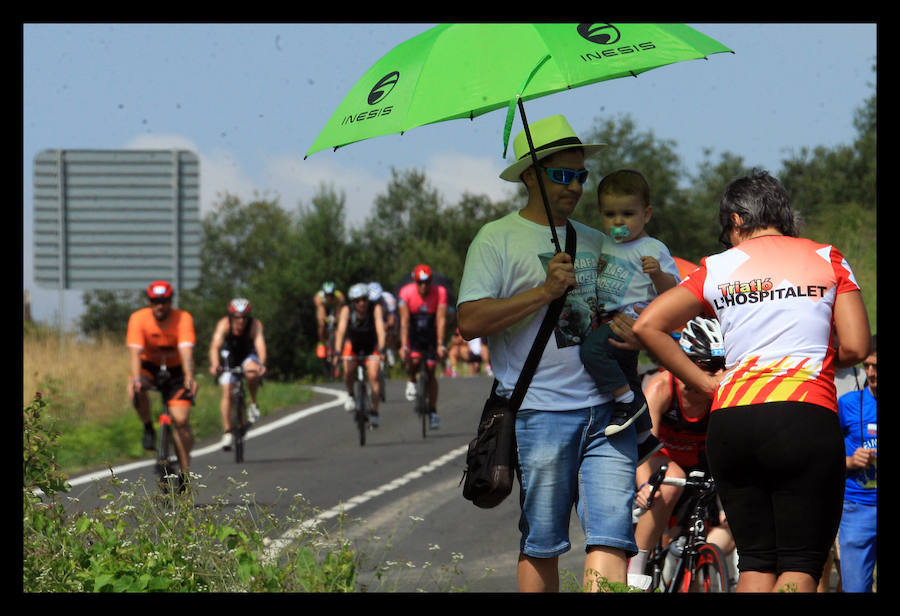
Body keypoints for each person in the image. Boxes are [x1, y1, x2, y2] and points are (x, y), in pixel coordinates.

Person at [633, 170, 872, 593]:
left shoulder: (718, 266)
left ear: (737, 220)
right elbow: (856, 347)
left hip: (732, 420)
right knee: (800, 563)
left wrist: (707, 385)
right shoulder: (827, 257)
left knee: (757, 563)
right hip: (805, 415)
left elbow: (649, 326)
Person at [458, 114, 644, 592]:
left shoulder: (599, 240)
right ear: (529, 176)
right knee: (543, 542)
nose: (576, 186)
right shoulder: (496, 238)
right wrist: (543, 292)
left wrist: (630, 325)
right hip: (539, 414)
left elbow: (623, 310)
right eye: (562, 175)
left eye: (581, 175)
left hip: (609, 413)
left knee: (612, 537)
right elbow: (470, 322)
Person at [580, 169, 678, 462]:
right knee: (626, 373)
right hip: (609, 317)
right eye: (610, 214)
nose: (618, 221)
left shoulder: (651, 248)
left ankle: (625, 401)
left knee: (592, 351)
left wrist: (658, 274)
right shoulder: (605, 245)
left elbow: (672, 290)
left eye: (628, 213)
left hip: (634, 319)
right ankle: (644, 438)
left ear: (646, 214)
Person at [629, 317, 735, 589]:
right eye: (709, 367)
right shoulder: (661, 388)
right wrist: (644, 485)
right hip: (657, 459)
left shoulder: (722, 393)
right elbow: (643, 444)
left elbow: (731, 449)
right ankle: (636, 569)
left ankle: (693, 564)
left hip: (701, 463)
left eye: (723, 366)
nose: (718, 374)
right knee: (671, 479)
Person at [126, 280, 198, 487]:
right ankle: (148, 427)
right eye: (155, 301)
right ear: (150, 302)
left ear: (170, 301)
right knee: (134, 386)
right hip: (150, 366)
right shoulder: (138, 318)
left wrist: (189, 377)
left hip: (176, 370)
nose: (160, 306)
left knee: (181, 420)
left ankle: (184, 471)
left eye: (164, 301)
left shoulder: (183, 318)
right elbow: (135, 353)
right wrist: (136, 378)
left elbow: (186, 351)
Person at [837, 334, 877, 592]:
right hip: (857, 509)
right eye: (867, 366)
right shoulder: (848, 405)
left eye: (877, 367)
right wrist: (850, 461)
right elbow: (820, 457)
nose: (871, 373)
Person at [208, 298, 267, 450]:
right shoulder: (223, 325)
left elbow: (260, 346)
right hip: (231, 356)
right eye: (237, 317)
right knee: (227, 390)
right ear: (231, 316)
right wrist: (215, 364)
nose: (241, 320)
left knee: (252, 374)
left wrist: (261, 365)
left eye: (244, 317)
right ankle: (227, 432)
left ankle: (253, 402)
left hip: (248, 355)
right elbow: (215, 346)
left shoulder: (255, 325)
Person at [397, 264, 447, 430]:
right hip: (414, 332)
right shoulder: (406, 293)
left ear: (431, 282)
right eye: (420, 282)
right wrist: (404, 345)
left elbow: (441, 320)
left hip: (431, 333)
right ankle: (411, 379)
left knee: (431, 370)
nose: (423, 286)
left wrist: (440, 344)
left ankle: (433, 411)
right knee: (415, 359)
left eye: (426, 283)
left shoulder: (440, 292)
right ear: (415, 282)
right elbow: (404, 322)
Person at [334, 283, 387, 426]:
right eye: (357, 300)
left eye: (364, 299)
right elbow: (340, 331)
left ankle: (374, 411)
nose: (361, 303)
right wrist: (337, 350)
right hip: (353, 346)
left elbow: (381, 329)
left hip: (371, 346)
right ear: (353, 302)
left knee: (374, 376)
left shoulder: (375, 308)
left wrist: (381, 349)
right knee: (348, 370)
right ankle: (351, 395)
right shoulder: (347, 310)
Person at [369, 281, 399, 367]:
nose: (376, 303)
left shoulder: (388, 298)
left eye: (377, 300)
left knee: (393, 328)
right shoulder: (366, 301)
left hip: (387, 319)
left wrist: (384, 327)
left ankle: (390, 350)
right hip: (374, 321)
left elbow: (392, 319)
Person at [314, 281, 345, 359]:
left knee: (340, 325)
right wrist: (324, 319)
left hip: (334, 309)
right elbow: (321, 310)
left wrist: (337, 320)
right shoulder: (318, 297)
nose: (329, 297)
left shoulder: (340, 297)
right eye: (327, 295)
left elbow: (339, 309)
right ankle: (321, 343)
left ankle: (338, 345)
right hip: (324, 309)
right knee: (321, 324)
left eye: (331, 294)